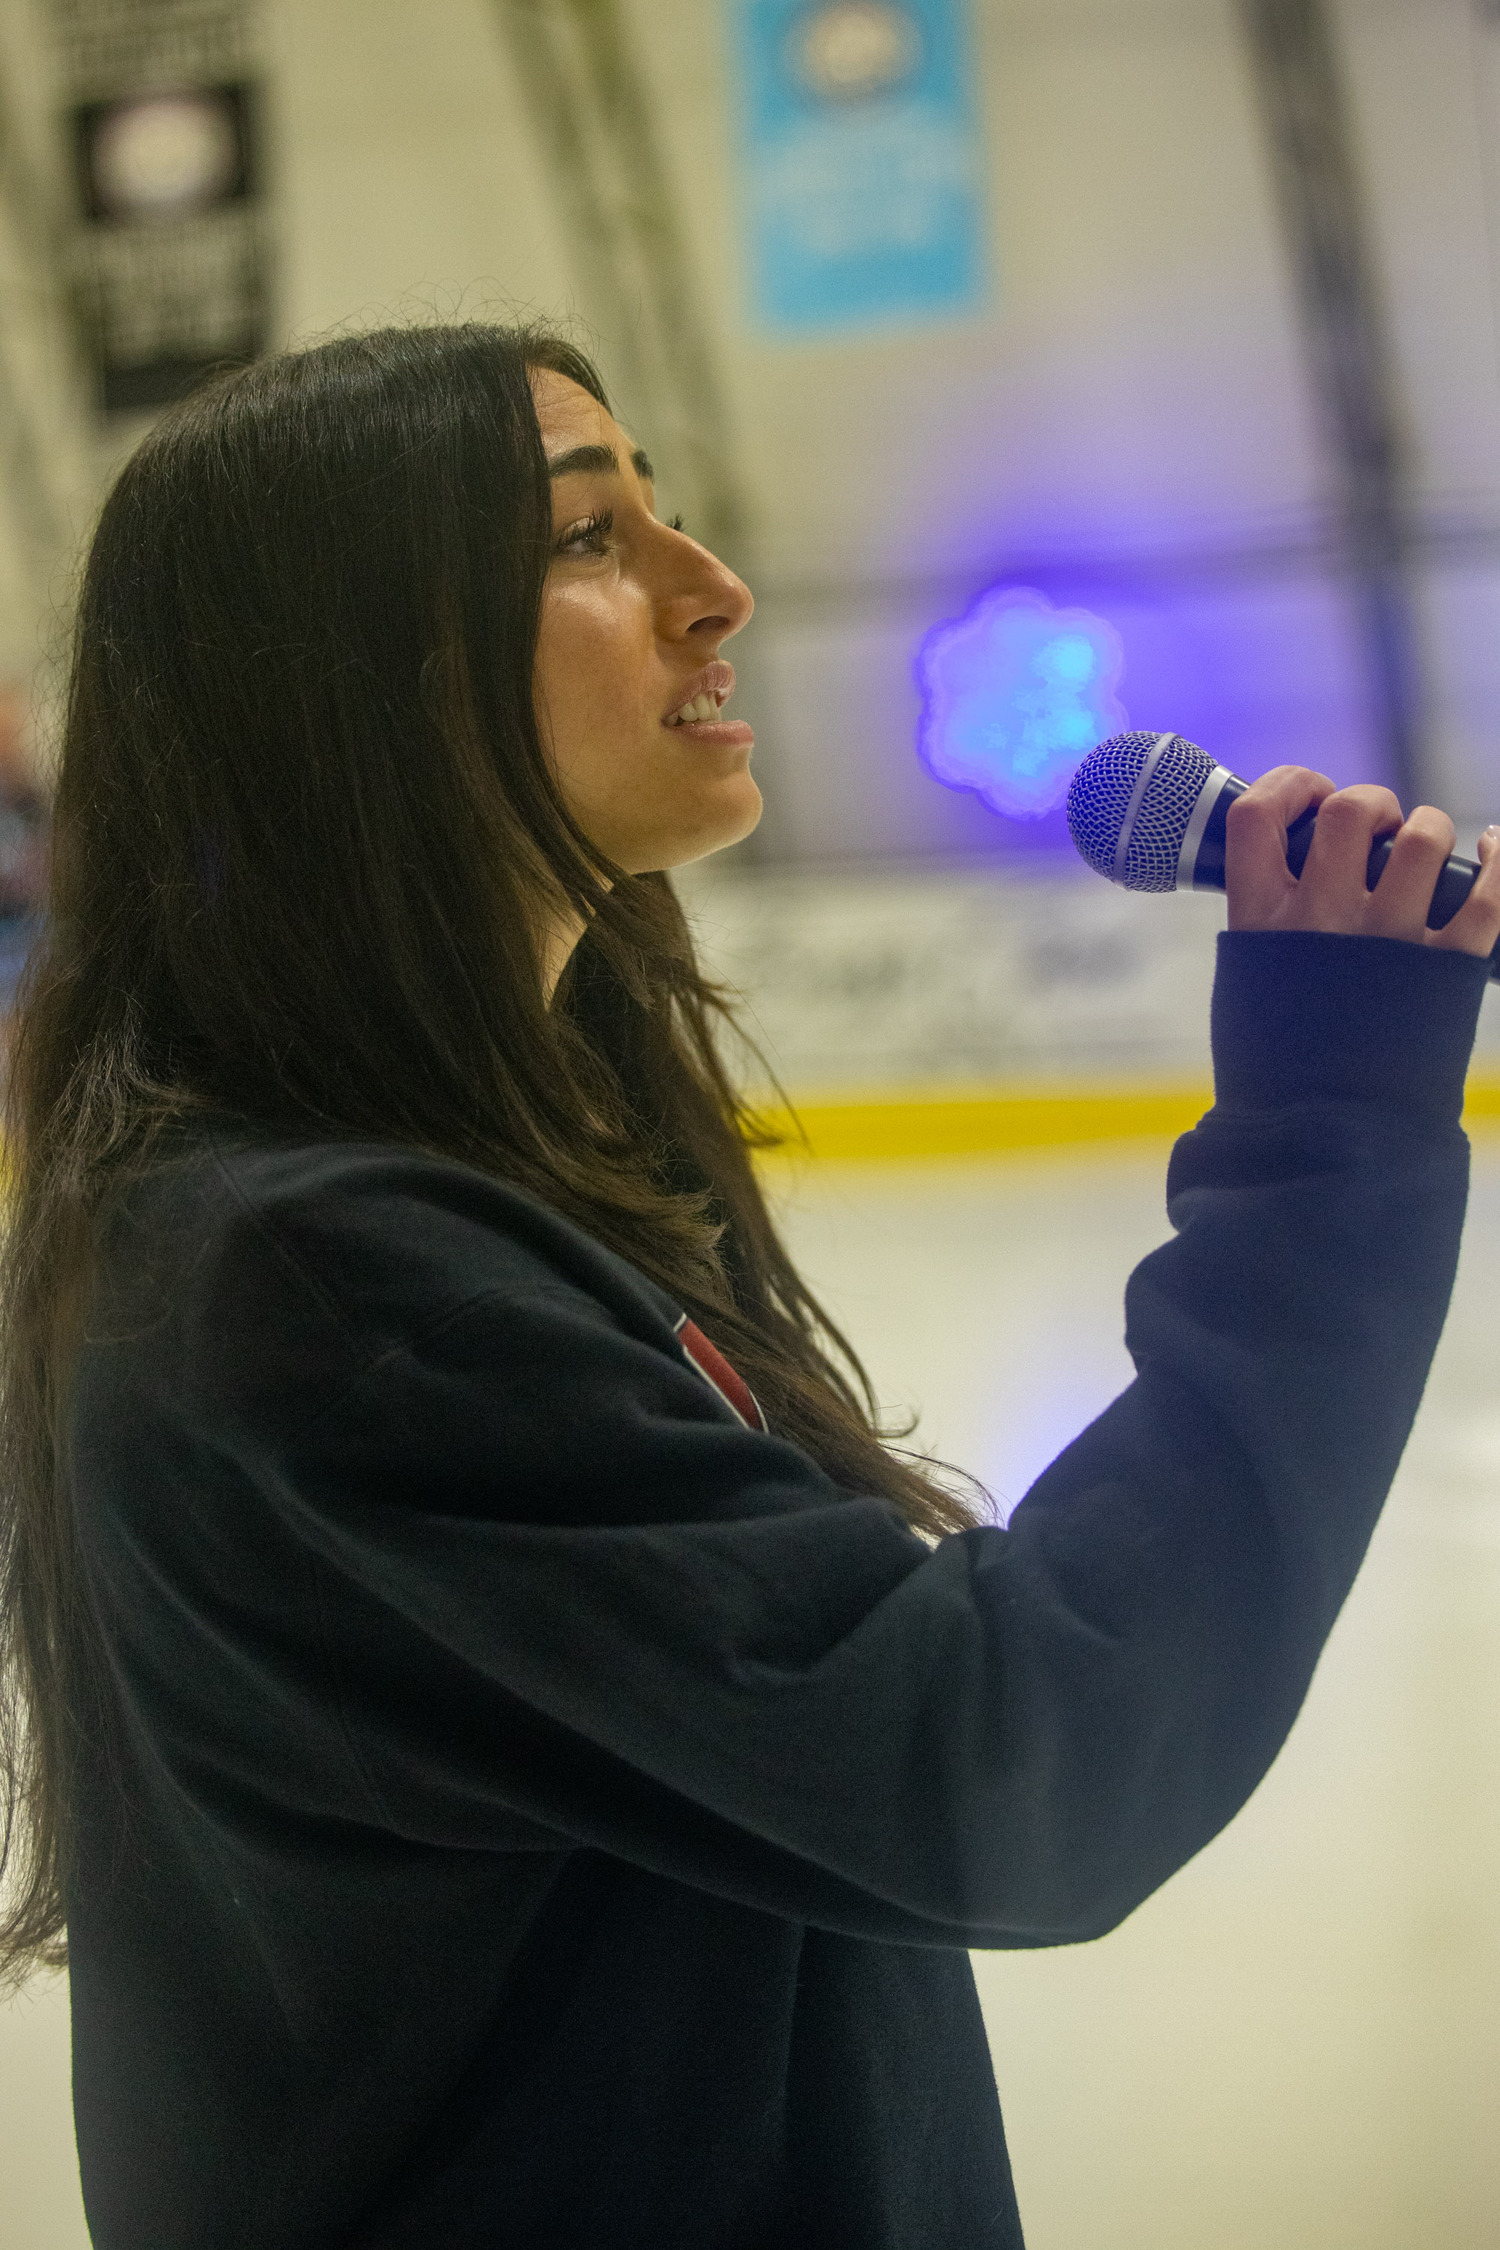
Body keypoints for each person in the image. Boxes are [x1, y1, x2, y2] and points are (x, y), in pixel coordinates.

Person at [0, 322, 1496, 2250]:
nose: (719, 590)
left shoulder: (440, 1175)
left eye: (668, 512)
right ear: (359, 673)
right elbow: (1014, 1762)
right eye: (586, 541)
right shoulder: (321, 1282)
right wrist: (1332, 1137)